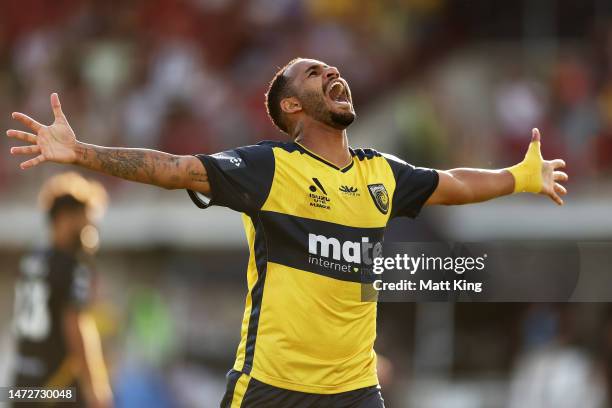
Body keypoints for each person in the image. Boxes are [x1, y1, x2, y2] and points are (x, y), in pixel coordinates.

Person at [6, 58, 568, 408]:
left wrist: (519, 175)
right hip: (271, 388)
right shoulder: (270, 168)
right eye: (315, 74)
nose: (333, 74)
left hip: (353, 390)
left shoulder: (381, 174)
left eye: (334, 70)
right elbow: (174, 168)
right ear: (294, 105)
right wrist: (81, 153)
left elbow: (454, 183)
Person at [11, 172, 113, 408]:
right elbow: (76, 326)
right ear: (65, 218)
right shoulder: (72, 264)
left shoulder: (32, 259)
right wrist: (97, 390)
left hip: (21, 384)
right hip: (55, 388)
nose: (90, 227)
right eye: (85, 218)